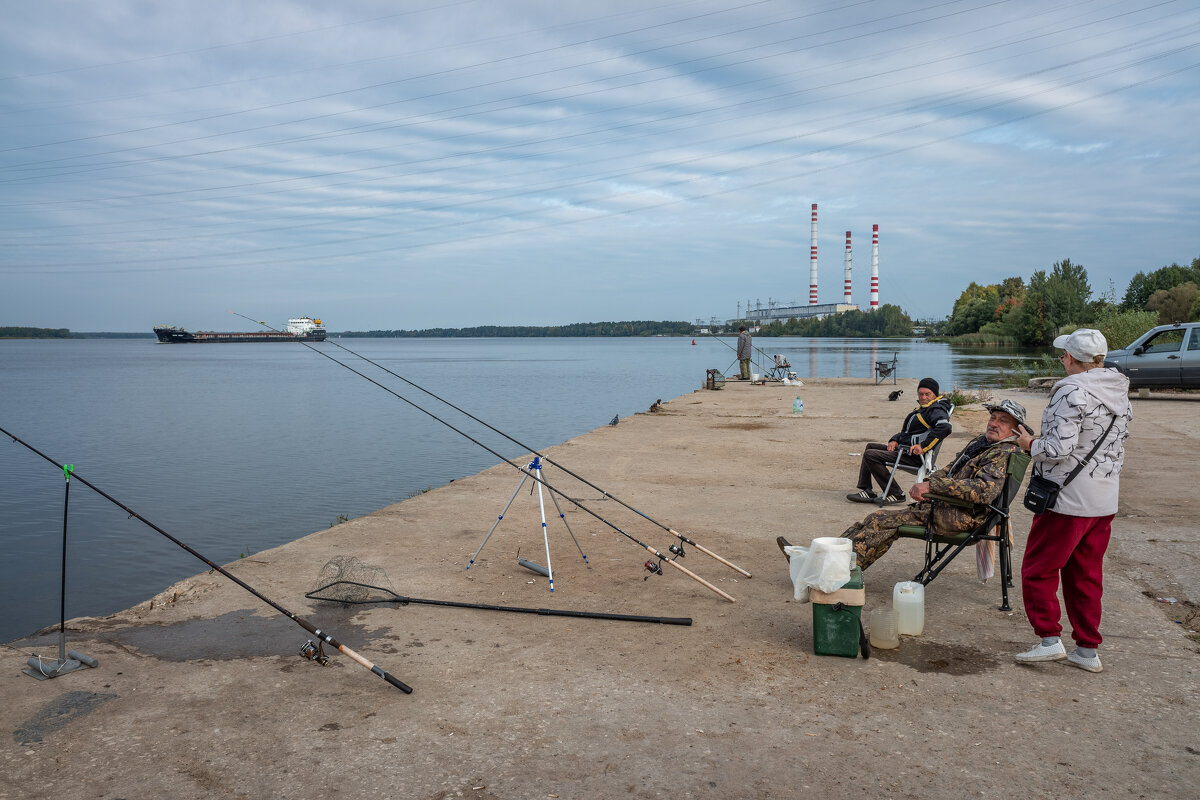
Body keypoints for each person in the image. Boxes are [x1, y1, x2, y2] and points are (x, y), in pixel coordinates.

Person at [779, 399, 1026, 571]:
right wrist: (929, 481)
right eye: (993, 417)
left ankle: (834, 570)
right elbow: (950, 468)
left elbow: (984, 491)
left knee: (880, 522)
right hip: (948, 506)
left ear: (1015, 430)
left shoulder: (1002, 452)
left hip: (961, 515)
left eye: (1002, 421)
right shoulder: (982, 443)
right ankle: (819, 561)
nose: (993, 423)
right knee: (871, 520)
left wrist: (933, 489)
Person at [1013, 329, 1132, 674]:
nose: (1061, 359)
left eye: (1063, 354)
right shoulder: (1119, 390)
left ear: (1070, 358)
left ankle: (1049, 640)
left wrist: (1028, 444)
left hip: (1068, 499)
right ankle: (1087, 648)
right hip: (1104, 498)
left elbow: (1056, 449)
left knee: (1039, 568)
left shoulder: (1071, 390)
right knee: (1086, 575)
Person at [847, 377, 953, 505]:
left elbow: (945, 427)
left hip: (914, 456)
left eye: (927, 394)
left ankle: (895, 493)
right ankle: (867, 490)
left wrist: (923, 446)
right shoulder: (925, 408)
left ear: (935, 394)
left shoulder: (935, 409)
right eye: (921, 394)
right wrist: (895, 440)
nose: (923, 397)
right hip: (904, 449)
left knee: (871, 455)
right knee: (870, 447)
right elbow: (907, 433)